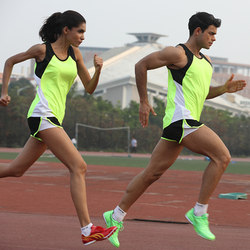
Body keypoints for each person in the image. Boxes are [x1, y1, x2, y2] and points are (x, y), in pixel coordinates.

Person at [103, 12, 247, 247]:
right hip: (182, 121)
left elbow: (202, 93)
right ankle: (199, 212)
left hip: (179, 125)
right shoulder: (177, 53)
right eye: (211, 33)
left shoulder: (206, 62)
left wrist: (224, 89)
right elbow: (141, 65)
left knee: (152, 174)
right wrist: (143, 100)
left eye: (216, 34)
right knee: (222, 157)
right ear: (198, 31)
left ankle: (115, 216)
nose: (214, 38)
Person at [0, 10, 116, 246]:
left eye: (84, 32)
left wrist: (98, 69)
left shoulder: (76, 54)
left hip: (54, 118)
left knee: (16, 169)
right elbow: (10, 61)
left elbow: (90, 87)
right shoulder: (43, 50)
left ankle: (87, 230)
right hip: (42, 115)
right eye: (80, 31)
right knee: (79, 166)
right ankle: (87, 229)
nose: (83, 36)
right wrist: (4, 92)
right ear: (66, 30)